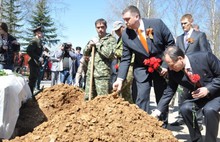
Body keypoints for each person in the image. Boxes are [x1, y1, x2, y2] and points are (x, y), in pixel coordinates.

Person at [112, 5, 175, 127]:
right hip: (141, 68)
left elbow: (170, 44)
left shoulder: (157, 24)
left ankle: (163, 128)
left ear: (137, 16)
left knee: (161, 97)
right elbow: (126, 58)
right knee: (141, 97)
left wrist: (166, 65)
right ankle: (143, 128)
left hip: (161, 66)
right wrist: (120, 79)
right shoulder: (126, 35)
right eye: (124, 19)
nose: (125, 22)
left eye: (127, 19)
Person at [152, 46, 220, 142]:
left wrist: (208, 89)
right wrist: (158, 111)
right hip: (199, 97)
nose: (170, 69)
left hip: (217, 93)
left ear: (180, 59)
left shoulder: (205, 57)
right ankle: (197, 139)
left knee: (209, 110)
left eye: (172, 65)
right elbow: (169, 91)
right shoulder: (173, 72)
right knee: (185, 108)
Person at [171, 14, 212, 128]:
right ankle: (181, 118)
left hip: (195, 70)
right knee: (181, 94)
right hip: (182, 71)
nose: (183, 25)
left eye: (185, 23)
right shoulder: (179, 38)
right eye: (181, 24)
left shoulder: (199, 35)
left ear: (191, 22)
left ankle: (198, 121)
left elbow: (205, 53)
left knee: (196, 94)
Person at [84, 18, 117, 100]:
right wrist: (89, 46)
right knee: (88, 98)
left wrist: (98, 44)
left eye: (102, 27)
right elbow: (85, 53)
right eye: (98, 28)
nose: (100, 29)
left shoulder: (111, 39)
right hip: (91, 73)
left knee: (102, 99)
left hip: (102, 75)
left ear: (106, 27)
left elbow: (109, 54)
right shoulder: (93, 39)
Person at [112, 20, 133, 103]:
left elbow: (124, 52)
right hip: (122, 66)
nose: (117, 32)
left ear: (123, 27)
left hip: (129, 66)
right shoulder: (120, 39)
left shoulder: (128, 36)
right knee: (125, 92)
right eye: (115, 31)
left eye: (118, 30)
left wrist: (114, 52)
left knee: (120, 87)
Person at [27, 26, 44, 95]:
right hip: (33, 62)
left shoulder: (39, 41)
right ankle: (29, 95)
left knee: (34, 79)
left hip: (37, 63)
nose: (42, 34)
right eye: (41, 32)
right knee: (32, 80)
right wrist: (37, 58)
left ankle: (31, 94)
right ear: (37, 33)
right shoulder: (34, 41)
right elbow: (29, 51)